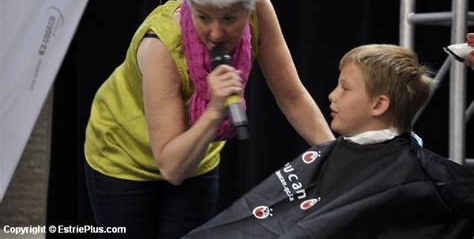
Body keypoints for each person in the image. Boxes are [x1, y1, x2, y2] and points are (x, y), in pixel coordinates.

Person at [84, 0, 333, 238]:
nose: (215, 33)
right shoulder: (161, 45)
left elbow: (292, 96)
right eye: (203, 17)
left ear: (248, 7)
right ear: (190, 2)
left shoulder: (259, 10)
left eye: (229, 18)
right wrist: (215, 111)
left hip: (197, 154)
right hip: (125, 156)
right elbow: (172, 168)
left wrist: (334, 156)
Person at [186, 44, 474, 238]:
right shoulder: (338, 153)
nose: (332, 95)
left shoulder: (420, 177)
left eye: (345, 88)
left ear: (378, 105)